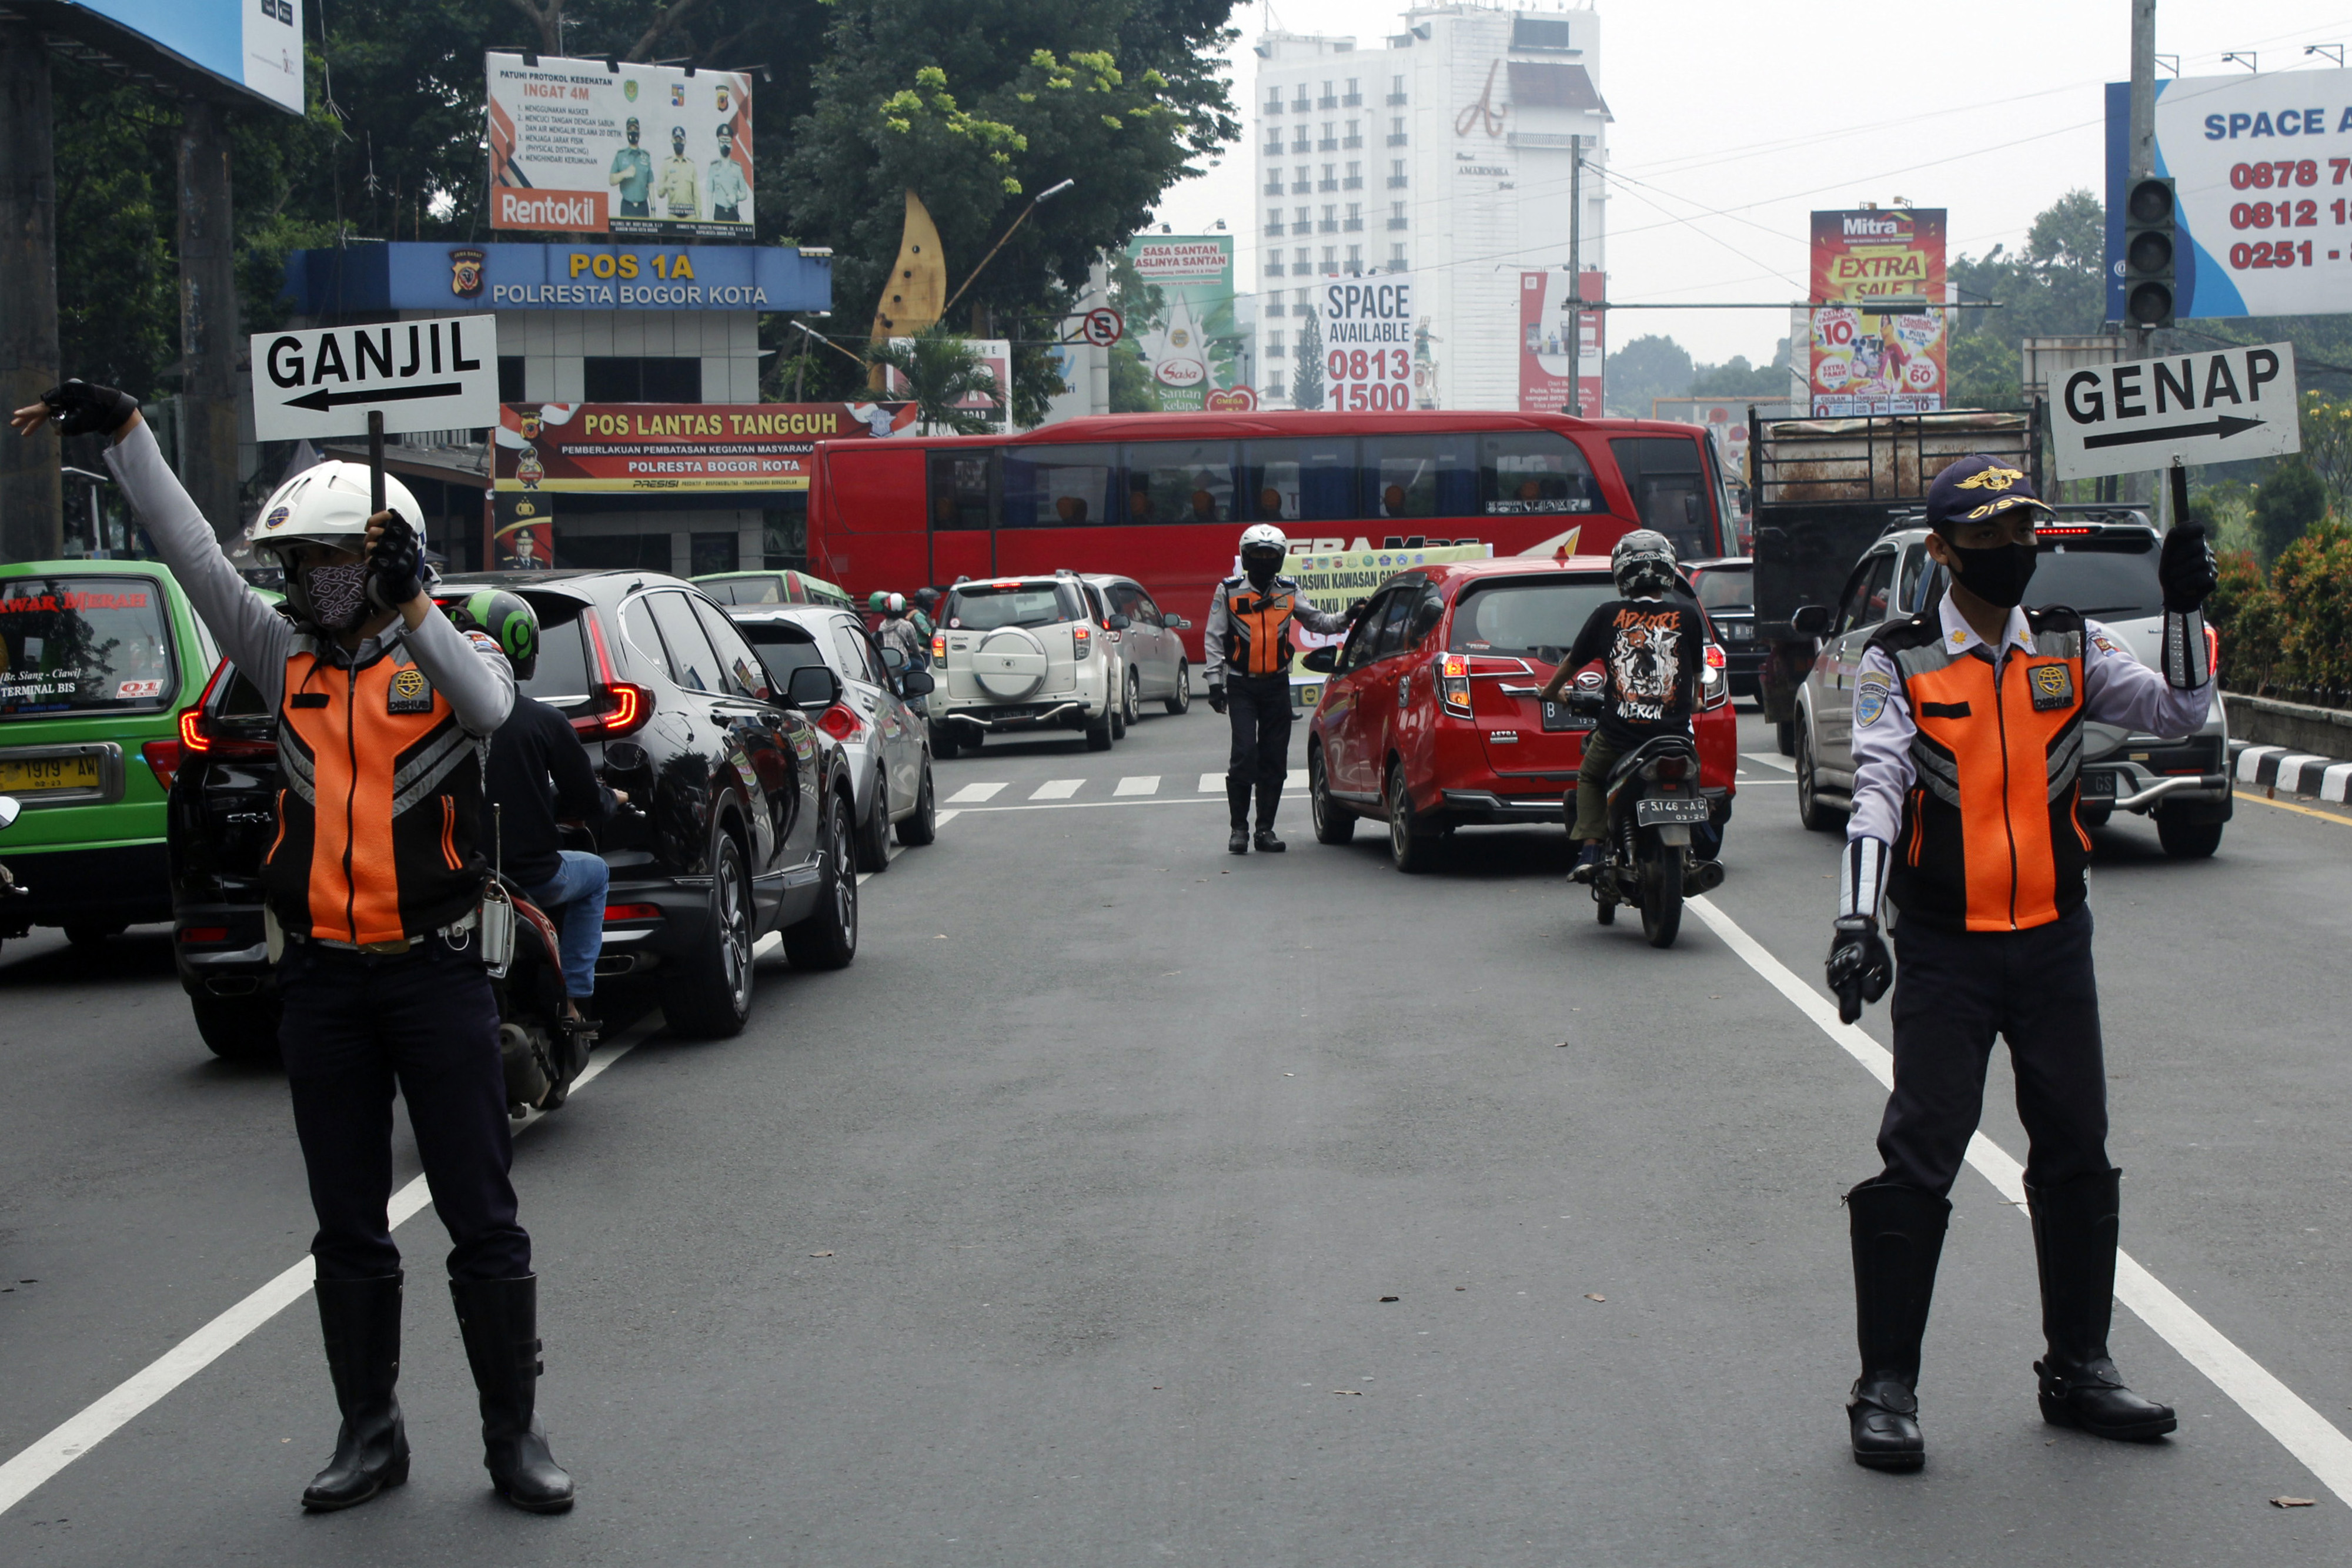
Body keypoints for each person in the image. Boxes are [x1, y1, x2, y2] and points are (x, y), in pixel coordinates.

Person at [11, 381, 574, 1514]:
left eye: (332, 559)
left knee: (480, 1214)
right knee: (347, 1222)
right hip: (322, 980)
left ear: (383, 559)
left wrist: (415, 605)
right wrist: (127, 435)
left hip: (438, 971)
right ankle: (371, 1433)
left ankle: (513, 1437)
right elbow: (192, 557)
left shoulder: (452, 652)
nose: (311, 578)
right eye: (300, 562)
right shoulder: (283, 660)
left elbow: (488, 708)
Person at [1828, 454, 2217, 1473]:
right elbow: (1876, 790)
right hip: (1947, 948)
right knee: (1921, 1153)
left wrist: (2184, 612)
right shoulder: (1899, 659)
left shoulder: (2068, 643)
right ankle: (1886, 1387)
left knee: (2077, 1147)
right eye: (1991, 536)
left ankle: (2079, 1368)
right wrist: (1858, 921)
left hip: (2053, 940)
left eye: (2022, 532)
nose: (2015, 550)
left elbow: (2178, 714)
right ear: (1946, 550)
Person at [457, 590, 623, 1034]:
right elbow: (586, 800)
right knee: (596, 874)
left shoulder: (434, 721)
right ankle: (573, 1000)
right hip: (534, 879)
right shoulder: (544, 721)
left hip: (457, 879)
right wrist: (614, 799)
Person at [1538, 529, 1706, 884]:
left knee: (1590, 776)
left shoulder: (1607, 615)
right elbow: (1696, 678)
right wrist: (1691, 703)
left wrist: (1551, 692)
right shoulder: (1688, 616)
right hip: (1674, 737)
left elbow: (1572, 662)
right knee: (1693, 772)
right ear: (1668, 571)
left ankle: (1591, 851)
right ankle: (1696, 844)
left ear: (1621, 574)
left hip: (1620, 737)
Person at [1204, 523, 1359, 855]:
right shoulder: (1228, 591)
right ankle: (1239, 830)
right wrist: (1215, 684)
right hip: (1241, 684)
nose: (1263, 561)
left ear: (1280, 558)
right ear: (1246, 557)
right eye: (1257, 555)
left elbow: (1318, 621)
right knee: (1245, 755)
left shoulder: (1289, 591)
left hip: (1276, 684)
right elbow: (1214, 638)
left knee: (1275, 759)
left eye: (1269, 555)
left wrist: (1347, 616)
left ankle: (1265, 830)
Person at [608, 118, 652, 218]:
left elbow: (651, 183)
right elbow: (611, 180)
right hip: (627, 206)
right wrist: (624, 174)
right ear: (626, 133)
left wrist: (653, 208)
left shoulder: (646, 156)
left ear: (640, 133)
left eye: (635, 129)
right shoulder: (621, 156)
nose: (633, 132)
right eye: (630, 129)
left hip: (643, 207)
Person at [656, 125, 700, 222]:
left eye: (681, 140)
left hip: (690, 217)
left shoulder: (691, 166)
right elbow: (660, 193)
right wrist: (667, 185)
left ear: (685, 142)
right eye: (676, 140)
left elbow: (697, 195)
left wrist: (699, 218)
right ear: (672, 141)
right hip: (673, 216)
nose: (678, 143)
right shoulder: (667, 164)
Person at [707, 123, 749, 223]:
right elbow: (710, 194)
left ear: (732, 146)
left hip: (733, 213)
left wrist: (736, 197)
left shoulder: (737, 168)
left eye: (728, 142)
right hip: (719, 212)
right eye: (722, 142)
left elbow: (744, 193)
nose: (725, 145)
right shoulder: (713, 168)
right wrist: (709, 219)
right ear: (718, 144)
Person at [874, 593, 926, 671]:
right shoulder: (907, 625)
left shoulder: (882, 625)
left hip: (886, 664)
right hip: (902, 664)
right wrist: (921, 650)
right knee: (919, 665)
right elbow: (915, 649)